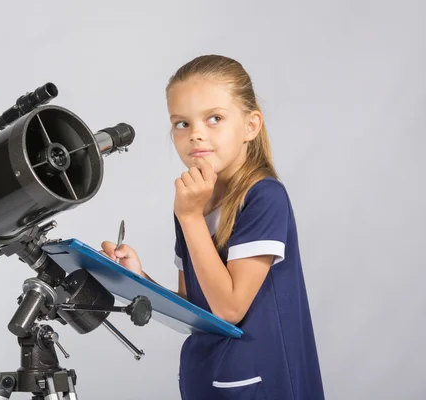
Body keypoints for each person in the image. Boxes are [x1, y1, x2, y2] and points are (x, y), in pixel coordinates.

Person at [100, 54, 325, 399]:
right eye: (181, 124)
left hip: (260, 384)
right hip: (205, 379)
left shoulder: (264, 198)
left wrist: (190, 217)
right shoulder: (193, 201)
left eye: (214, 119)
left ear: (251, 125)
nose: (196, 135)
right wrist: (137, 278)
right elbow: (193, 309)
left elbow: (229, 309)